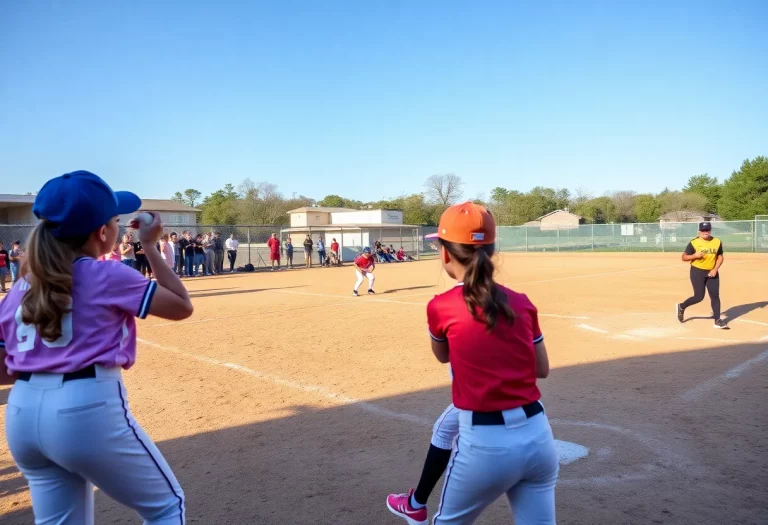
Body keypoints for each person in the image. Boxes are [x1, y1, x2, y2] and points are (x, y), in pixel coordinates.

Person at [0, 170, 192, 524]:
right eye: (115, 221)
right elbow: (182, 306)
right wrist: (149, 245)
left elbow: (2, 367)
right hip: (85, 407)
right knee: (166, 506)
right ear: (102, 233)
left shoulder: (21, 286)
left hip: (22, 413)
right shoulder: (106, 274)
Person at [386, 202, 557, 525]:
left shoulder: (442, 306)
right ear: (492, 251)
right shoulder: (521, 302)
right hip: (538, 438)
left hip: (486, 443)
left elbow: (443, 355)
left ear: (446, 254)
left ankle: (415, 504)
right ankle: (414, 501)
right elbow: (542, 369)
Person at [676, 222, 728, 329]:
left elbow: (720, 257)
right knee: (699, 297)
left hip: (712, 271)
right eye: (703, 230)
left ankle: (717, 320)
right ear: (699, 231)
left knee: (715, 295)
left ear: (710, 230)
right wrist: (694, 255)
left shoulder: (717, 242)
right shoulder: (694, 243)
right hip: (697, 271)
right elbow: (684, 257)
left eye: (707, 230)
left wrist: (715, 269)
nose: (705, 232)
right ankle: (681, 306)